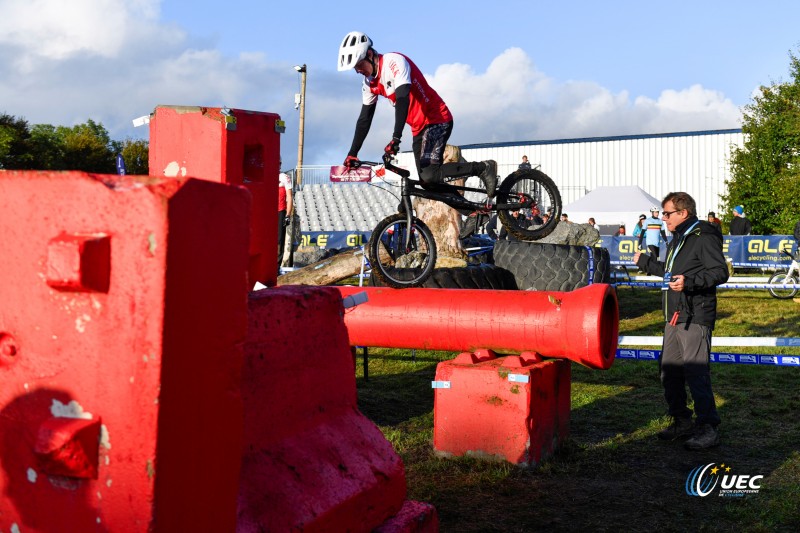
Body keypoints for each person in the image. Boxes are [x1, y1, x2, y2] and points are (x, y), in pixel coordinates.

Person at [338, 31, 497, 200]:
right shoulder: (369, 83)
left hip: (436, 119)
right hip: (418, 128)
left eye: (358, 65)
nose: (357, 71)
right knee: (428, 183)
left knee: (429, 175)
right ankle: (472, 214)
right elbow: (364, 119)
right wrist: (352, 152)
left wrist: (396, 138)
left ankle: (483, 168)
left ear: (369, 54)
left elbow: (402, 98)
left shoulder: (394, 62)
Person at [634, 192, 729, 450]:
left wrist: (691, 282)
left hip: (695, 316)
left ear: (683, 213)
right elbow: (672, 273)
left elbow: (720, 272)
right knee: (669, 373)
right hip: (674, 316)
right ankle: (682, 421)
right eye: (663, 214)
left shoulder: (703, 235)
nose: (663, 218)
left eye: (667, 214)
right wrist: (646, 263)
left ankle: (708, 428)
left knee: (696, 373)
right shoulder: (680, 237)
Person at [277, 166, 293, 269]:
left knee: (279, 240)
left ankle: (276, 266)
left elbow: (290, 197)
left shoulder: (284, 177)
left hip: (280, 211)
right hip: (267, 212)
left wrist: (287, 215)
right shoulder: (265, 174)